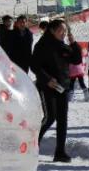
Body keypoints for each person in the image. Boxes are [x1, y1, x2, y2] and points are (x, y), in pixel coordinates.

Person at [31, 19, 81, 163]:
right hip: (47, 87)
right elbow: (34, 66)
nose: (64, 33)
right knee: (50, 117)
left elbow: (76, 60)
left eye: (65, 30)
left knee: (62, 120)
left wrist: (74, 43)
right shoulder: (41, 45)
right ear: (52, 30)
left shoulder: (63, 46)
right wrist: (47, 79)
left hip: (62, 87)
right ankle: (32, 146)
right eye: (61, 30)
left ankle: (60, 152)